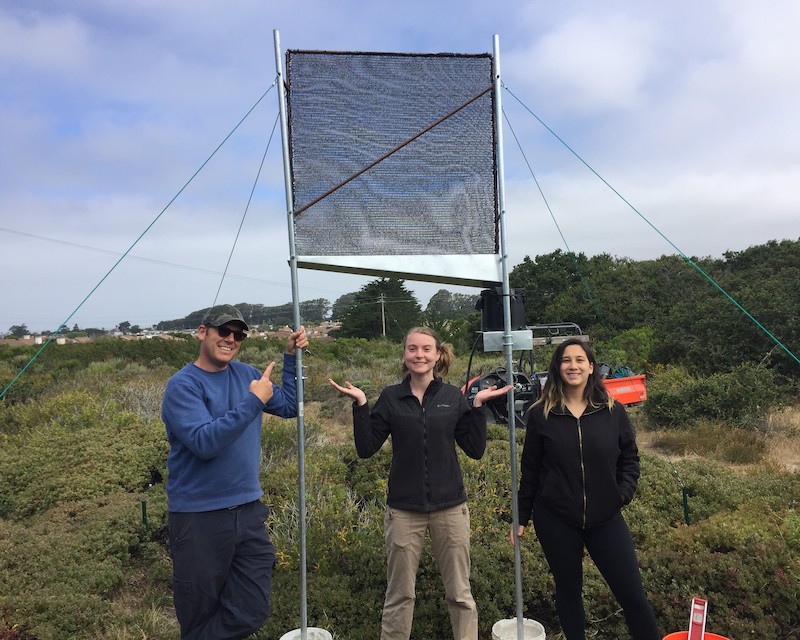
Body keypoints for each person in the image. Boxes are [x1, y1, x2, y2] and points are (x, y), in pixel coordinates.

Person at [329, 326, 512, 640]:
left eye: (426, 349)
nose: (419, 355)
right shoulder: (390, 397)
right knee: (400, 594)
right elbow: (366, 448)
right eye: (412, 349)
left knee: (459, 593)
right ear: (404, 355)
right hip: (403, 511)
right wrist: (361, 404)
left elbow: (475, 449)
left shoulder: (453, 397)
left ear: (438, 355)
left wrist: (478, 407)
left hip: (451, 509)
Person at [161, 304, 308, 640]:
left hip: (247, 510)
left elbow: (289, 406)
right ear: (203, 332)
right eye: (223, 331)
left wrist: (291, 359)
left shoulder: (246, 375)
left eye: (238, 334)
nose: (230, 339)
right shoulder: (183, 385)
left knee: (252, 609)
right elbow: (204, 441)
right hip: (199, 516)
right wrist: (253, 402)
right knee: (199, 612)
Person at [511, 338, 660, 640]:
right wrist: (521, 516)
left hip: (606, 518)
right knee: (568, 592)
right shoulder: (541, 415)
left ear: (591, 367)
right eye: (566, 360)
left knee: (633, 596)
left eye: (580, 360)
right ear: (557, 367)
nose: (573, 365)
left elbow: (629, 458)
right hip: (556, 518)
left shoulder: (612, 410)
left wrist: (622, 494)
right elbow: (531, 470)